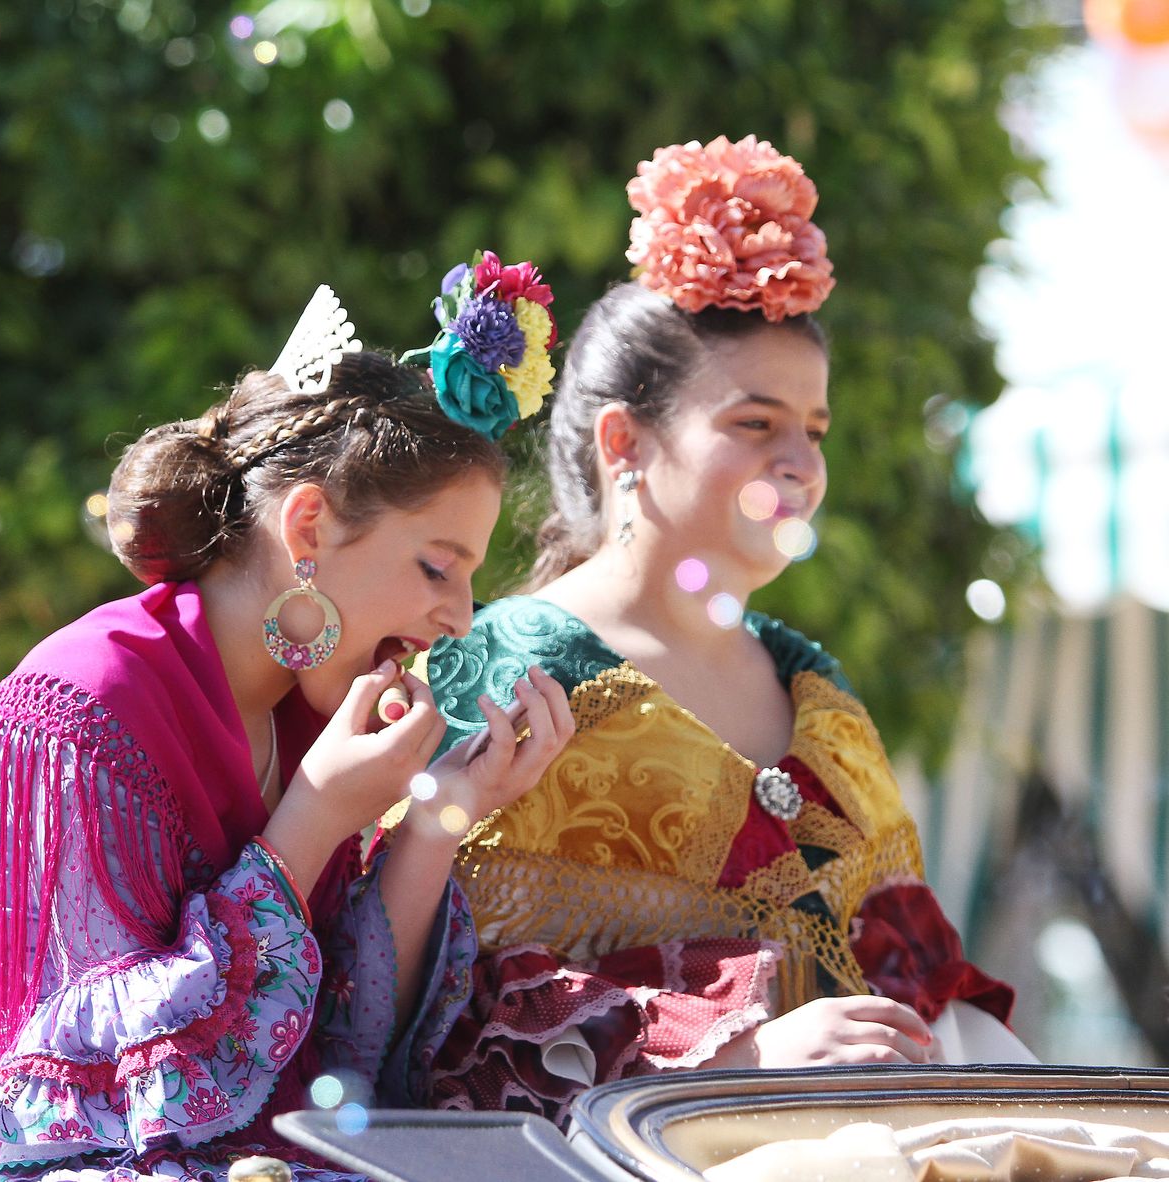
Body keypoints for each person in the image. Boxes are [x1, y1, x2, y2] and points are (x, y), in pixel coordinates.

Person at [0, 272, 575, 1179]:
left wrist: (433, 822)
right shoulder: (83, 711)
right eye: (436, 566)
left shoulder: (304, 717)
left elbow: (347, 1061)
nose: (460, 616)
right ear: (309, 527)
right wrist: (312, 818)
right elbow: (94, 1101)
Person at [421, 137, 1022, 1128]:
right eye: (754, 423)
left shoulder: (818, 695)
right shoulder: (501, 670)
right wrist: (737, 1056)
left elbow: (920, 988)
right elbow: (427, 1008)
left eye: (814, 431)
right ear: (625, 442)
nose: (801, 464)